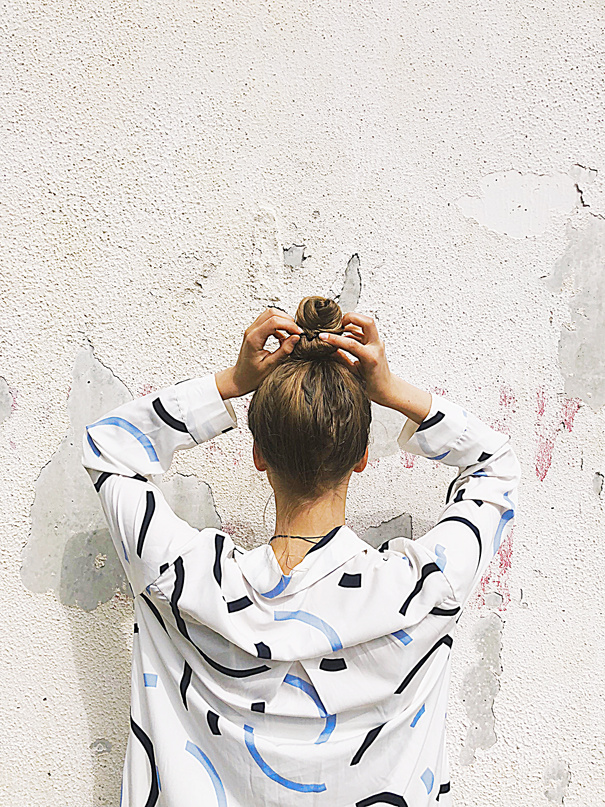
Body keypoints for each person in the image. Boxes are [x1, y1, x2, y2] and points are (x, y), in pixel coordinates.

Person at [81, 296, 521, 807]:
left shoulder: (179, 578)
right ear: (361, 459)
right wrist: (391, 390)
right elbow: (496, 466)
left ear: (257, 454)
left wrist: (233, 381)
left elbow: (109, 447)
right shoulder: (422, 591)